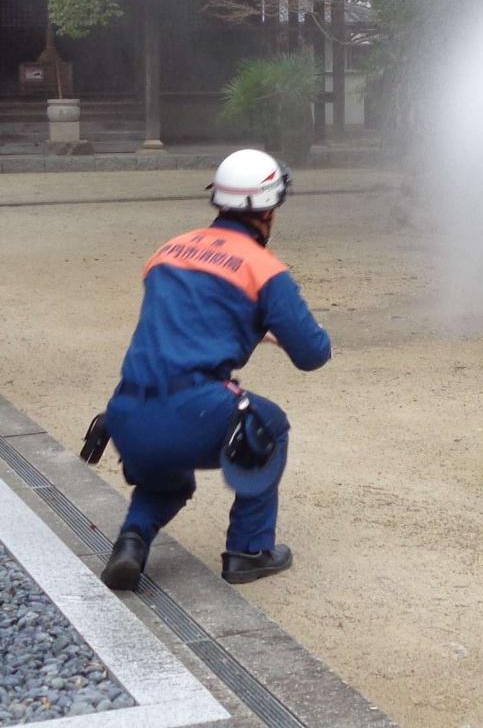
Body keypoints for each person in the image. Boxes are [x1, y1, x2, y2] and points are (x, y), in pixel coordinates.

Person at [98, 148, 332, 592]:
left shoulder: (168, 251)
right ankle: (249, 551)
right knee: (270, 424)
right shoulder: (265, 268)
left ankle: (132, 541)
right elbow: (311, 354)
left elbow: (186, 316)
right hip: (192, 413)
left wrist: (245, 326)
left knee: (169, 480)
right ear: (270, 209)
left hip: (126, 414)